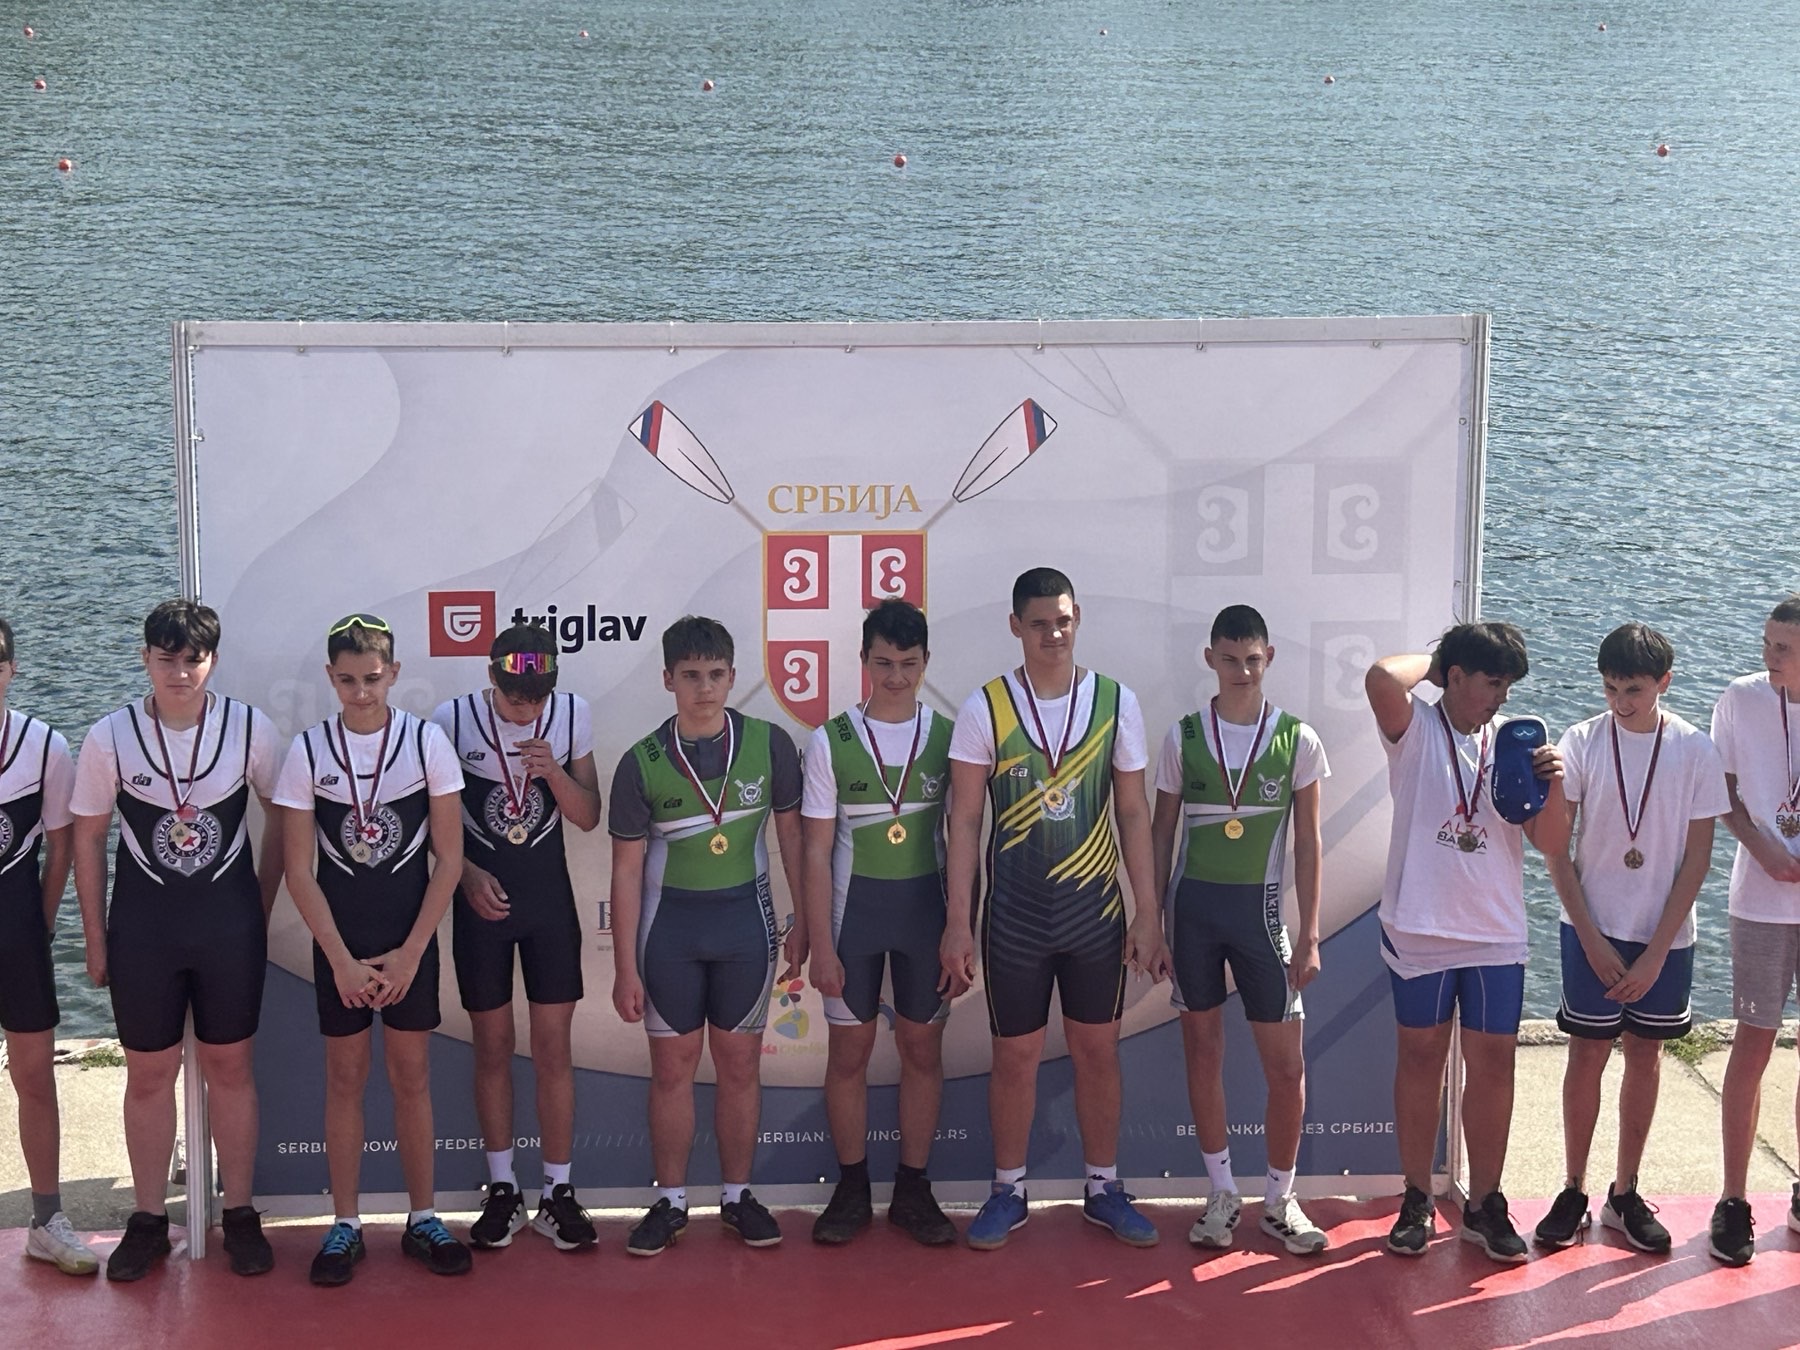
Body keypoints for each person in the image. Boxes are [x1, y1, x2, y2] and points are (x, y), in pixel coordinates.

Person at [943, 567, 1168, 1251]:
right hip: (1014, 918)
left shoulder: (1115, 701)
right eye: (1039, 623)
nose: (1053, 634)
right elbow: (964, 822)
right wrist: (957, 922)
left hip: (1093, 914)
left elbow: (1133, 812)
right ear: (1016, 625)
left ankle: (1103, 1188)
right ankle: (1007, 1191)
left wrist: (1148, 912)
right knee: (1015, 1056)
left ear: (1078, 618)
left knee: (1097, 1052)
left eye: (1063, 621)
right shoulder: (985, 707)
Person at [70, 600, 283, 1280]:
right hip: (144, 933)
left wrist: (260, 905)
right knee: (148, 1076)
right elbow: (88, 838)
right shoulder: (111, 736)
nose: (180, 672)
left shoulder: (249, 728)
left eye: (194, 659)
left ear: (212, 661)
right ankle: (147, 1221)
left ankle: (240, 1213)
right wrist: (95, 938)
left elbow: (286, 818)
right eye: (167, 659)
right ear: (145, 659)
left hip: (229, 930)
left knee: (231, 1070)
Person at [274, 614, 470, 1285]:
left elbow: (449, 859)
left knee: (412, 1078)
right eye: (349, 680)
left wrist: (413, 952)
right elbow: (298, 870)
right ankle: (345, 1224)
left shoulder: (425, 743)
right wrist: (339, 959)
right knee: (345, 1080)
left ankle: (424, 1217)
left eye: (373, 678)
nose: (362, 692)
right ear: (332, 678)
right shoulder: (308, 751)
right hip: (343, 951)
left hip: (409, 943)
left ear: (394, 674)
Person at [1364, 621, 1564, 1263]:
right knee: (1421, 1059)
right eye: (1492, 682)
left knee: (1494, 1064)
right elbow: (1380, 678)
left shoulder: (1513, 745)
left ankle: (1484, 1203)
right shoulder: (1417, 728)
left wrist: (1553, 786)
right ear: (1454, 677)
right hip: (1420, 927)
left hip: (1494, 933)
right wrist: (1442, 661)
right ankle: (1417, 1197)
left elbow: (1551, 843)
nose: (1501, 697)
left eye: (1508, 686)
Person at [608, 616, 806, 1256]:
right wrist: (625, 967)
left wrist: (804, 918)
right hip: (671, 935)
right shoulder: (641, 762)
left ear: (733, 677)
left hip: (746, 929)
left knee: (741, 1066)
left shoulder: (770, 744)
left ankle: (737, 1196)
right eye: (690, 676)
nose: (704, 688)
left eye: (715, 675)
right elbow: (625, 872)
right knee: (672, 1070)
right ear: (668, 679)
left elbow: (793, 839)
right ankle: (669, 1201)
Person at [1534, 623, 1726, 1253]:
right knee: (1586, 1055)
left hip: (1663, 937)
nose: (1621, 702)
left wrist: (1656, 952)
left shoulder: (1695, 750)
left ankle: (1624, 1192)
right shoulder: (1581, 741)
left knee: (1645, 1056)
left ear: (1664, 682)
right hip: (1591, 927)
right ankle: (1573, 1189)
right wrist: (1591, 939)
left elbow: (1698, 860)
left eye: (1634, 690)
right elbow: (1556, 852)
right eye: (1611, 688)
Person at [1151, 605, 1329, 1255]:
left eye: (1253, 659)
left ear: (1269, 658)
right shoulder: (1183, 736)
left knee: (1286, 1066)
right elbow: (1160, 834)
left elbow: (1308, 844)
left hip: (1263, 919)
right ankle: (1221, 1192)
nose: (1242, 671)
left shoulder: (1297, 739)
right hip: (1193, 917)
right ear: (1210, 659)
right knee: (1204, 1054)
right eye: (1230, 659)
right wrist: (1152, 923)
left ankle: (1280, 1199)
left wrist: (1310, 935)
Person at [431, 622, 602, 1252]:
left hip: (548, 903)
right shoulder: (451, 720)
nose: (527, 709)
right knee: (493, 1047)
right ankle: (502, 1188)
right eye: (515, 698)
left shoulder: (572, 713)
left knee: (554, 1049)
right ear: (491, 679)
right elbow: (432, 823)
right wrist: (465, 875)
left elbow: (589, 816)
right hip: (482, 906)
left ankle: (558, 1190)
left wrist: (553, 772)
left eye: (537, 698)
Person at [803, 599, 958, 1247]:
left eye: (909, 664)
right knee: (850, 1054)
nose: (896, 677)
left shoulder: (951, 736)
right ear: (864, 660)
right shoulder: (829, 740)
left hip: (927, 919)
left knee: (922, 1051)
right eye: (884, 663)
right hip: (853, 922)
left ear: (926, 663)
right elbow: (815, 851)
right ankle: (851, 1189)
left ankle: (913, 1190)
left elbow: (966, 839)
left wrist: (961, 931)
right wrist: (820, 944)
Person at [0, 618, 97, 1276]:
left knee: (34, 1076)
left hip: (17, 930)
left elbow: (61, 844)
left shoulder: (44, 746)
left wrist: (38, 923)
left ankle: (46, 1219)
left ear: (11, 668)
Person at [1708, 596, 1800, 1267]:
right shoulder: (1740, 700)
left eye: (1783, 648)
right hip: (1760, 902)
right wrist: (1760, 845)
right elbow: (1722, 792)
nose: (1769, 656)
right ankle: (1734, 1199)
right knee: (1753, 1043)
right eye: (1767, 643)